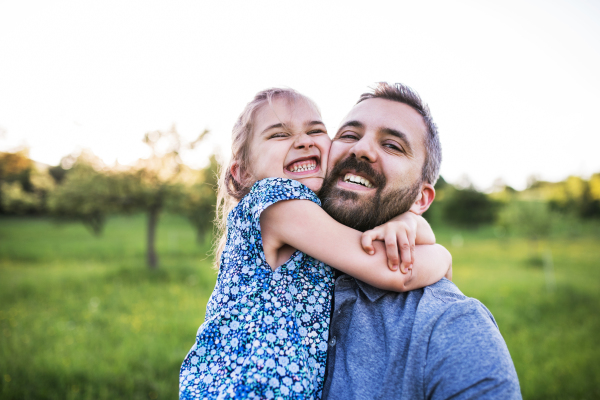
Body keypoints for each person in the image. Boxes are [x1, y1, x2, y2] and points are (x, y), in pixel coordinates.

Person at [179, 88, 452, 399]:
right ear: (243, 173)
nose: (304, 141)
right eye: (279, 134)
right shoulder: (277, 201)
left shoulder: (315, 213)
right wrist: (443, 256)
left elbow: (411, 236)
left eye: (316, 130)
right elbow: (394, 270)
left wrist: (405, 221)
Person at [319, 82, 522, 399]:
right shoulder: (273, 256)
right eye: (348, 135)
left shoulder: (452, 327)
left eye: (392, 146)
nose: (360, 149)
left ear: (421, 198)